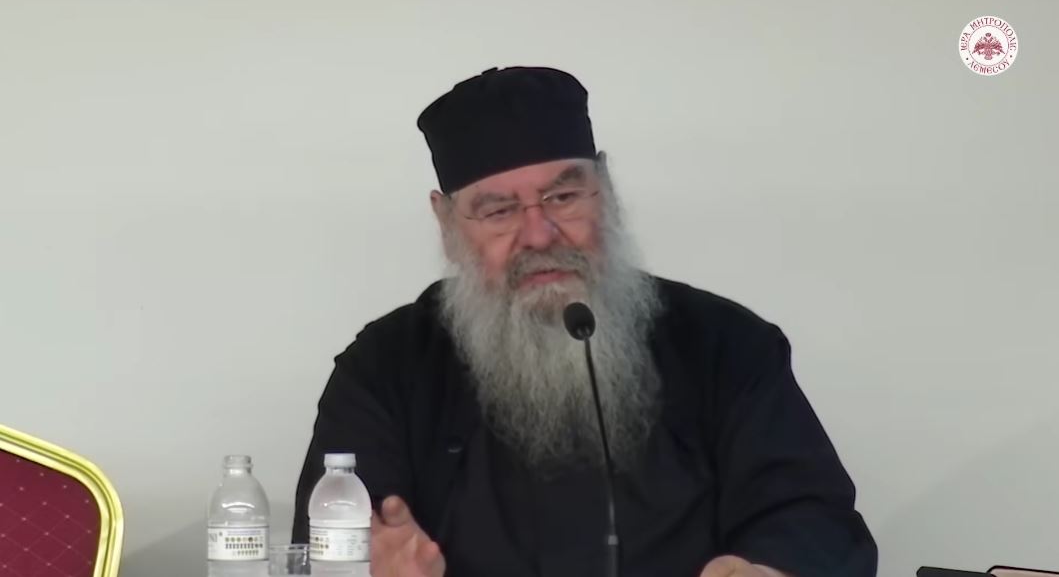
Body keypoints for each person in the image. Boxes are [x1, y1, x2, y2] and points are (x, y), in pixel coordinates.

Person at [293, 66, 877, 577]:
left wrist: (772, 568)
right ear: (447, 225)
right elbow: (332, 536)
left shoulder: (726, 345)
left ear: (607, 193)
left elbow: (811, 518)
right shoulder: (386, 367)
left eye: (564, 198)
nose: (539, 235)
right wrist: (361, 565)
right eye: (499, 211)